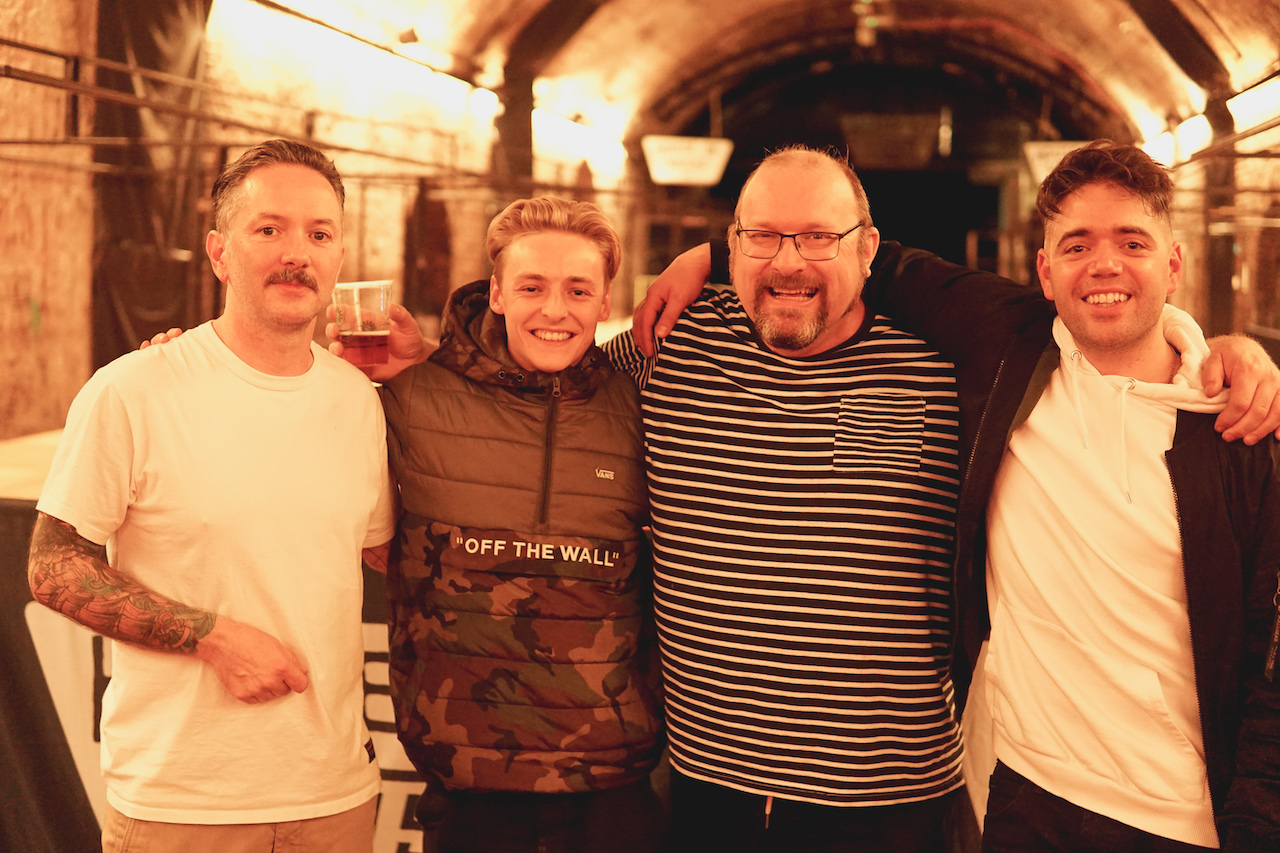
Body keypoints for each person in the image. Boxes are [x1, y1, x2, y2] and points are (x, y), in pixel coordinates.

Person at [636, 142, 1280, 850]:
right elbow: (543, 359)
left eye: (1133, 241)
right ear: (1043, 269)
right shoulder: (1005, 352)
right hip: (1021, 797)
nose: (1104, 265)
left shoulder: (1236, 430)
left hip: (1174, 817)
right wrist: (711, 250)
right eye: (1076, 244)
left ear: (1175, 263)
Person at [28, 139, 395, 853]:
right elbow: (52, 567)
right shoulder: (134, 389)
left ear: (339, 257)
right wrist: (212, 635)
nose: (298, 252)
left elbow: (380, 551)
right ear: (220, 252)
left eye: (319, 234)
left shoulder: (358, 400)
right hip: (182, 804)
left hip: (335, 794)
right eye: (270, 229)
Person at [601, 145, 971, 853]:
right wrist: (419, 370)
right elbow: (531, 385)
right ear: (731, 246)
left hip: (890, 797)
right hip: (709, 787)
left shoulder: (943, 370)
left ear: (869, 250)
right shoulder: (669, 349)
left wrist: (1203, 348)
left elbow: (1086, 362)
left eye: (817, 238)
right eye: (763, 236)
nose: (789, 263)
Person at [369, 197, 664, 853]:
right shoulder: (413, 391)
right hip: (471, 793)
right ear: (496, 292)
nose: (555, 310)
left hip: (615, 795)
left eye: (577, 290)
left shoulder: (640, 403)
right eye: (532, 287)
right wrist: (167, 365)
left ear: (603, 298)